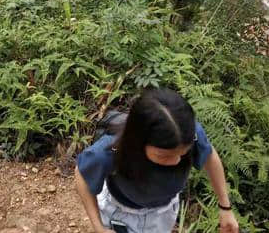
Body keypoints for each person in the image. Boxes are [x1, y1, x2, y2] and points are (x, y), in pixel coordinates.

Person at [75, 88, 239, 233]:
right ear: (138, 140)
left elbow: (209, 157)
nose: (176, 161)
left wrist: (225, 207)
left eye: (183, 153)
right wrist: (98, 227)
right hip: (122, 214)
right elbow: (82, 175)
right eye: (164, 156)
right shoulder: (110, 151)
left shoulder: (186, 134)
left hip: (164, 211)